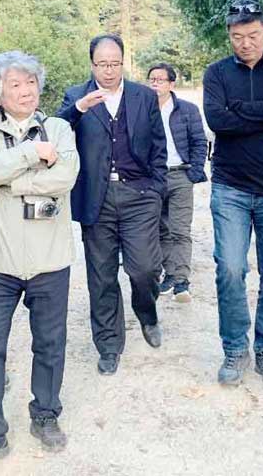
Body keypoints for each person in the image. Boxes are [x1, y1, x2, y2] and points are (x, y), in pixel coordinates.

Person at [0, 51, 80, 471]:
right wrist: (31, 154)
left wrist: (14, 182)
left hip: (49, 259)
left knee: (50, 343)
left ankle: (45, 414)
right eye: (14, 84)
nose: (25, 91)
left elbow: (65, 177)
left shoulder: (59, 128)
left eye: (31, 83)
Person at [203, 0, 263, 387]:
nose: (246, 43)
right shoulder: (216, 73)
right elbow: (217, 120)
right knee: (230, 269)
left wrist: (240, 109)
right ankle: (234, 348)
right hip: (230, 186)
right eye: (237, 36)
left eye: (253, 35)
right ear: (229, 34)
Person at [56, 34, 167, 376]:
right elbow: (55, 131)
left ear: (123, 62)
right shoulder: (76, 95)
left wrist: (156, 188)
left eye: (115, 63)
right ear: (92, 64)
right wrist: (79, 108)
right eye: (102, 64)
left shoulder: (144, 96)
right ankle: (108, 344)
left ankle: (147, 313)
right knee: (101, 276)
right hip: (96, 197)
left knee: (145, 269)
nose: (108, 70)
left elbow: (159, 147)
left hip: (139, 195)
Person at [146, 62, 208, 302]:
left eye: (160, 80)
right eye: (152, 79)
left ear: (171, 84)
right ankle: (170, 274)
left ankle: (182, 281)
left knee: (180, 229)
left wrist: (195, 171)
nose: (155, 84)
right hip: (154, 177)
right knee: (159, 228)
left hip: (181, 175)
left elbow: (200, 141)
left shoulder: (187, 110)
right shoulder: (142, 110)